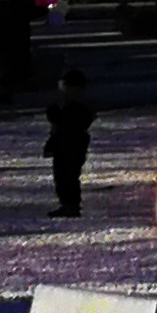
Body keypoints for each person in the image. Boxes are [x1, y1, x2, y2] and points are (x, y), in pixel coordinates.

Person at [44, 66, 93, 217]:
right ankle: (68, 204)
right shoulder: (70, 107)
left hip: (71, 147)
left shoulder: (76, 109)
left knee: (68, 177)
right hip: (66, 146)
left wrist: (54, 115)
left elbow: (64, 126)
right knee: (63, 177)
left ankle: (70, 205)